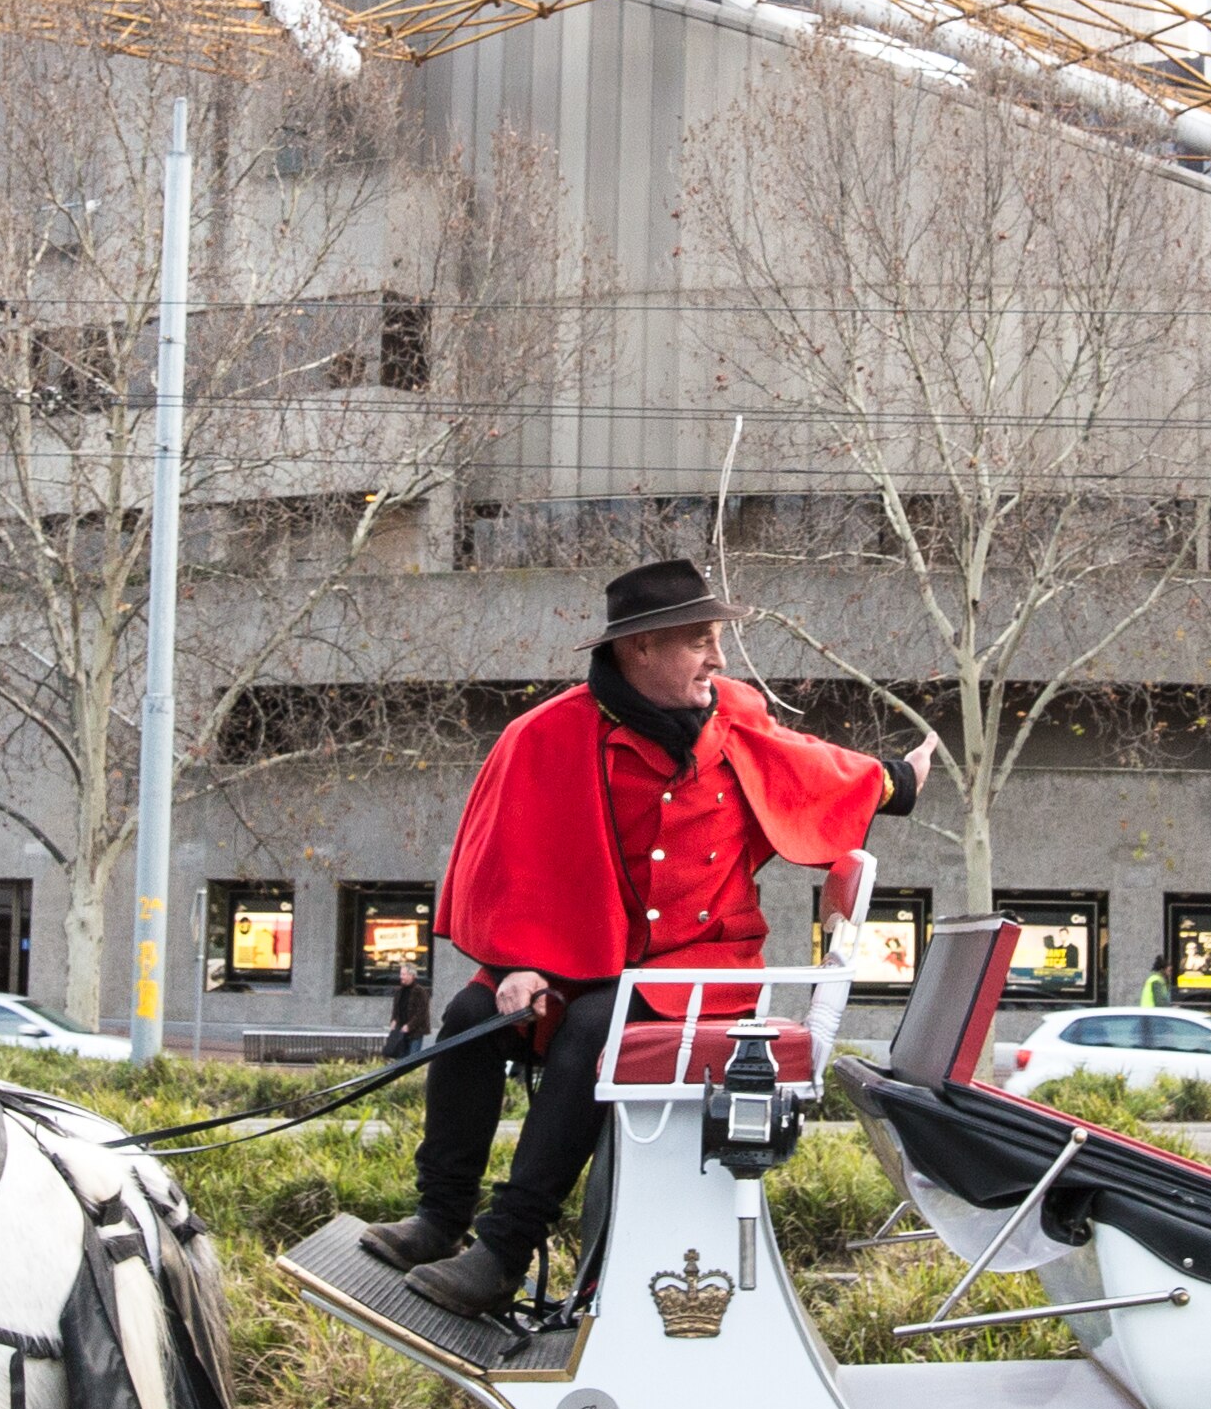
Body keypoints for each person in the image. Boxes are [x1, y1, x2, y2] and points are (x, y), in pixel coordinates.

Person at [365, 559, 930, 1320]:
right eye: (699, 641)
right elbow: (513, 859)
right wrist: (513, 965)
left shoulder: (737, 718)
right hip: (579, 956)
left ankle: (504, 1248)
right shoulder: (545, 736)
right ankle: (440, 1218)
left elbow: (816, 770)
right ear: (640, 648)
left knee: (595, 1029)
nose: (718, 657)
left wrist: (897, 779)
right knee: (471, 1019)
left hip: (703, 969)